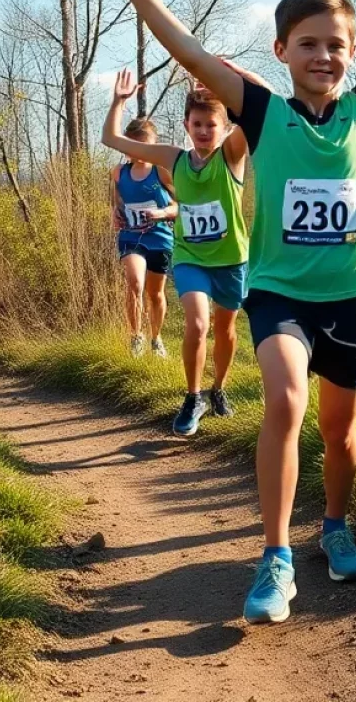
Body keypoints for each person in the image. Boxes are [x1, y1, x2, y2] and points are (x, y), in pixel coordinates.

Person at [88, 0, 356, 625]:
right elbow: (194, 53)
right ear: (282, 52)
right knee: (286, 401)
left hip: (351, 301)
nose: (323, 55)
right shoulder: (262, 113)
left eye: (336, 45)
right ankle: (274, 556)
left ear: (351, 52)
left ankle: (333, 523)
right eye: (308, 43)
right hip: (279, 296)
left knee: (340, 434)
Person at [103, 68, 254, 436]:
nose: (204, 131)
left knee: (225, 329)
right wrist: (119, 102)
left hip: (231, 259)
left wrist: (229, 78)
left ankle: (218, 390)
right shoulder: (173, 158)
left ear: (224, 127)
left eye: (211, 125)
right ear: (186, 124)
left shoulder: (232, 155)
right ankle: (193, 396)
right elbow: (112, 139)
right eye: (197, 124)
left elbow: (259, 110)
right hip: (190, 257)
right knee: (197, 324)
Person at [109, 114, 176, 360]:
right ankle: (135, 336)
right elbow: (117, 204)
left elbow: (181, 206)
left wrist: (162, 212)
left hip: (159, 237)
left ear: (153, 143)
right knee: (135, 283)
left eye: (144, 144)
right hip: (131, 237)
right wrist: (115, 213)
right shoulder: (118, 173)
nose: (139, 151)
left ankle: (156, 338)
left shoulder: (162, 172)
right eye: (133, 144)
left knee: (155, 293)